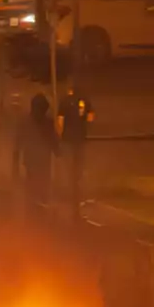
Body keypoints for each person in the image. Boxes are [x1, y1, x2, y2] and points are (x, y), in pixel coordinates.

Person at [13, 94, 60, 219]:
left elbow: (53, 140)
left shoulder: (34, 122)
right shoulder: (28, 122)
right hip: (34, 161)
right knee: (34, 189)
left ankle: (37, 214)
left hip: (40, 161)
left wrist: (58, 152)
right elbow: (18, 143)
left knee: (40, 188)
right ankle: (33, 214)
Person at [58, 88, 95, 217]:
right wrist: (82, 121)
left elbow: (60, 121)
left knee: (69, 168)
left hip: (68, 139)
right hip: (80, 138)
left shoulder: (64, 101)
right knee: (79, 168)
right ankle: (79, 195)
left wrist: (60, 135)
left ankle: (70, 195)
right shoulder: (85, 99)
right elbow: (90, 118)